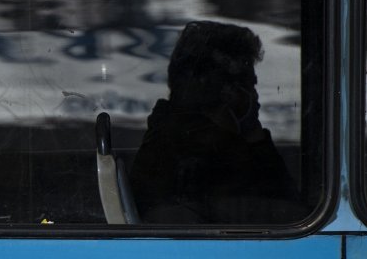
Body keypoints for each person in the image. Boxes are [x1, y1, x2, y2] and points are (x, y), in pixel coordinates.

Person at [129, 20, 302, 224]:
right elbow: (284, 210)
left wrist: (251, 133)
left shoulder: (174, 134)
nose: (255, 97)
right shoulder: (188, 151)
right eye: (247, 86)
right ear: (223, 92)